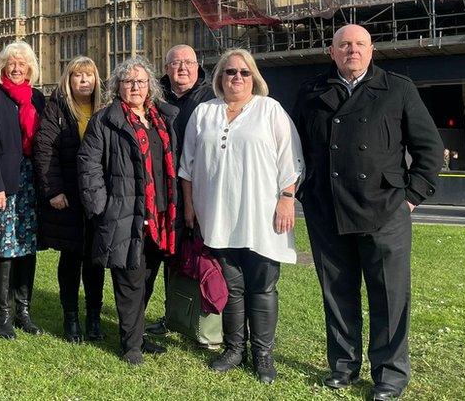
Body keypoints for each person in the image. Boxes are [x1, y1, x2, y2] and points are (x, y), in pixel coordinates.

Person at [292, 24, 442, 401]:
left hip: (385, 209)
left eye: (359, 44)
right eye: (344, 45)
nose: (352, 51)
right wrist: (305, 194)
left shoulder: (398, 89)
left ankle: (389, 375)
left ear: (372, 50)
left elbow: (428, 149)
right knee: (337, 293)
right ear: (332, 51)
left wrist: (411, 197)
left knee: (389, 296)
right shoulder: (311, 92)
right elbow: (294, 150)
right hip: (328, 209)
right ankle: (343, 365)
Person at [179, 49, 304, 384]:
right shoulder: (205, 113)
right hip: (217, 216)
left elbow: (290, 159)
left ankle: (263, 355)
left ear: (254, 78)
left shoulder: (270, 110)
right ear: (220, 76)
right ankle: (235, 348)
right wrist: (190, 208)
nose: (237, 77)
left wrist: (287, 199)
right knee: (231, 287)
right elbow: (187, 167)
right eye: (230, 72)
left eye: (244, 73)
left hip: (262, 217)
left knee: (262, 287)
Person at [78, 56, 180, 365]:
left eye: (140, 81)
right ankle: (131, 344)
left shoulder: (162, 118)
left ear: (150, 86)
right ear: (117, 87)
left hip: (160, 212)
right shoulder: (106, 120)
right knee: (129, 278)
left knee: (148, 275)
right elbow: (89, 166)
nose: (134, 87)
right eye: (128, 82)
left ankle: (136, 333)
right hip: (124, 212)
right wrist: (101, 208)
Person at [33, 56, 106, 343]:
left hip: (96, 196)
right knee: (72, 259)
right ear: (69, 80)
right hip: (69, 195)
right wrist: (53, 190)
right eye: (78, 75)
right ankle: (71, 317)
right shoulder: (57, 109)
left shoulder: (105, 110)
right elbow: (44, 149)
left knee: (95, 260)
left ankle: (94, 317)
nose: (84, 80)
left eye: (89, 75)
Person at [0, 41, 46, 339]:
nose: (17, 68)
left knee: (27, 249)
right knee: (5, 249)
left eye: (22, 63)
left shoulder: (38, 99)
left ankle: (24, 311)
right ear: (2, 67)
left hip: (31, 181)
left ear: (31, 67)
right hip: (4, 182)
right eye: (11, 63)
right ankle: (2, 314)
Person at [147, 44, 215, 336]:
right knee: (167, 255)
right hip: (161, 191)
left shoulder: (212, 97)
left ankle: (206, 321)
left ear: (198, 66)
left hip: (200, 191)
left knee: (204, 256)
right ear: (166, 69)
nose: (182, 68)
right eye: (176, 63)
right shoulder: (152, 98)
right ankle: (173, 314)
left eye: (189, 62)